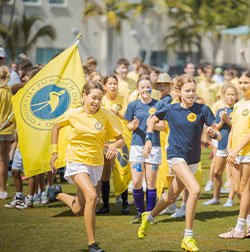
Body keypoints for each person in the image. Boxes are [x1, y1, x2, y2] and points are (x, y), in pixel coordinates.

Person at [137, 74, 221, 252]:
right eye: (187, 91)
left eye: (193, 90)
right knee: (196, 189)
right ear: (178, 93)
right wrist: (148, 139)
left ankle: (149, 217)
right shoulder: (170, 109)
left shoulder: (203, 109)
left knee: (170, 198)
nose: (191, 94)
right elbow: (151, 120)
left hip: (193, 160)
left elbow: (218, 134)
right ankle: (188, 238)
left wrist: (214, 134)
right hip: (175, 156)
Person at [50, 81, 125, 252]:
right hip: (76, 160)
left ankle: (57, 194)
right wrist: (54, 152)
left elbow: (121, 139)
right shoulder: (73, 114)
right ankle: (92, 244)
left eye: (100, 99)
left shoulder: (106, 115)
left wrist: (114, 146)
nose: (97, 102)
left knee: (78, 209)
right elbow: (55, 127)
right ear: (84, 95)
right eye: (93, 98)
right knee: (92, 196)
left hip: (95, 163)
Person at [219, 71, 250, 239]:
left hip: (248, 152)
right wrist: (230, 148)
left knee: (245, 190)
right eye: (241, 82)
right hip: (235, 152)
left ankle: (239, 229)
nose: (243, 85)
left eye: (246, 82)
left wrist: (237, 149)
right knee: (238, 190)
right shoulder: (238, 105)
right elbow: (234, 128)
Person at [124, 75, 165, 223]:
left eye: (148, 86)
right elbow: (128, 125)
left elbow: (163, 126)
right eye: (142, 87)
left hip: (153, 146)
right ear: (138, 89)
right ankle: (140, 212)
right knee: (136, 181)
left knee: (151, 181)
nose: (145, 89)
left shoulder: (159, 104)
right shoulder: (132, 105)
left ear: (151, 88)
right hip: (137, 146)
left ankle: (150, 214)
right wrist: (133, 126)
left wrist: (152, 124)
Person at [96, 74, 128, 215]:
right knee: (106, 172)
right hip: (106, 140)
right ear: (104, 86)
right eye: (110, 83)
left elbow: (126, 117)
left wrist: (116, 112)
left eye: (115, 83)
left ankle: (125, 204)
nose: (113, 86)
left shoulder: (123, 99)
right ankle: (105, 205)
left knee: (122, 170)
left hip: (121, 139)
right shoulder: (101, 100)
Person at [202, 84, 238, 207]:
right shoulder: (219, 111)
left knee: (233, 173)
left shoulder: (238, 109)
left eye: (233, 94)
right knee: (217, 172)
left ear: (237, 96)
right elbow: (216, 127)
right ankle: (215, 197)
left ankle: (230, 199)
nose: (231, 97)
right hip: (222, 144)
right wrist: (222, 120)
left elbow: (238, 128)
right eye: (228, 94)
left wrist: (227, 120)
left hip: (234, 145)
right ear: (223, 96)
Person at [0, 66, 14, 200]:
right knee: (4, 159)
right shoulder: (10, 91)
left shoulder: (1, 92)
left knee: (2, 160)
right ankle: (3, 189)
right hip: (9, 128)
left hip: (2, 127)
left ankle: (2, 189)